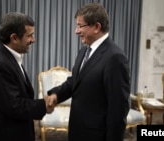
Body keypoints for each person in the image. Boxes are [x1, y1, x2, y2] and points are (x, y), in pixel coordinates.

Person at [47, 3, 130, 141]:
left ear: (96, 27)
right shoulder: (84, 50)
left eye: (80, 26)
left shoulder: (115, 58)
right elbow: (75, 81)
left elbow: (118, 109)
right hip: (77, 130)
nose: (76, 31)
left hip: (97, 135)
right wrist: (56, 95)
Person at [0, 12, 53, 141]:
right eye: (30, 35)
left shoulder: (6, 56)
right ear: (14, 38)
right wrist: (43, 105)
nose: (33, 40)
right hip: (7, 135)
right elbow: (14, 106)